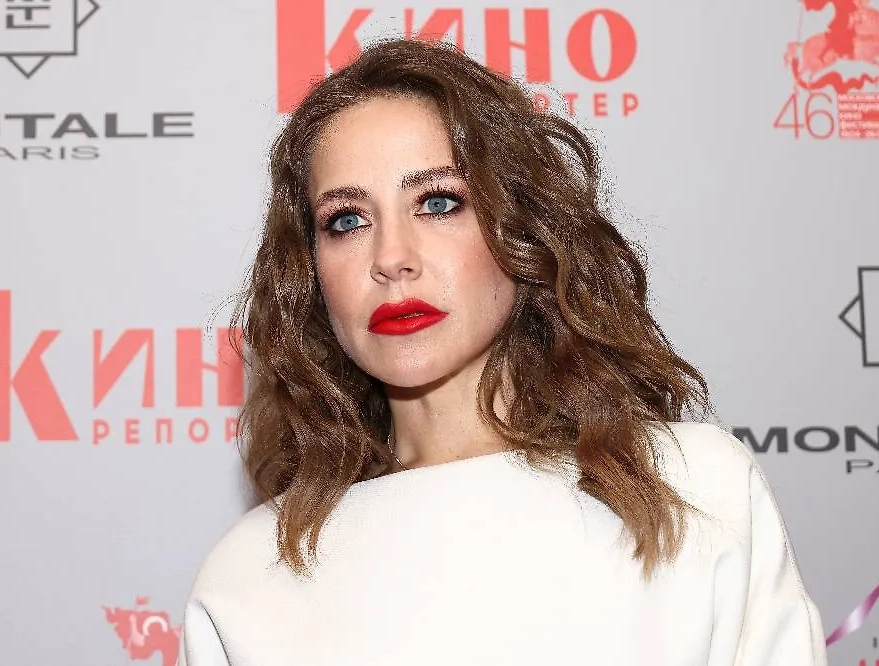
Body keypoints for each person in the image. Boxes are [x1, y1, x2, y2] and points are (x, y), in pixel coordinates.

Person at [177, 38, 828, 665]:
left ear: (521, 229)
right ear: (310, 271)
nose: (392, 258)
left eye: (438, 203)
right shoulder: (249, 577)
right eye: (347, 220)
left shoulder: (695, 489)